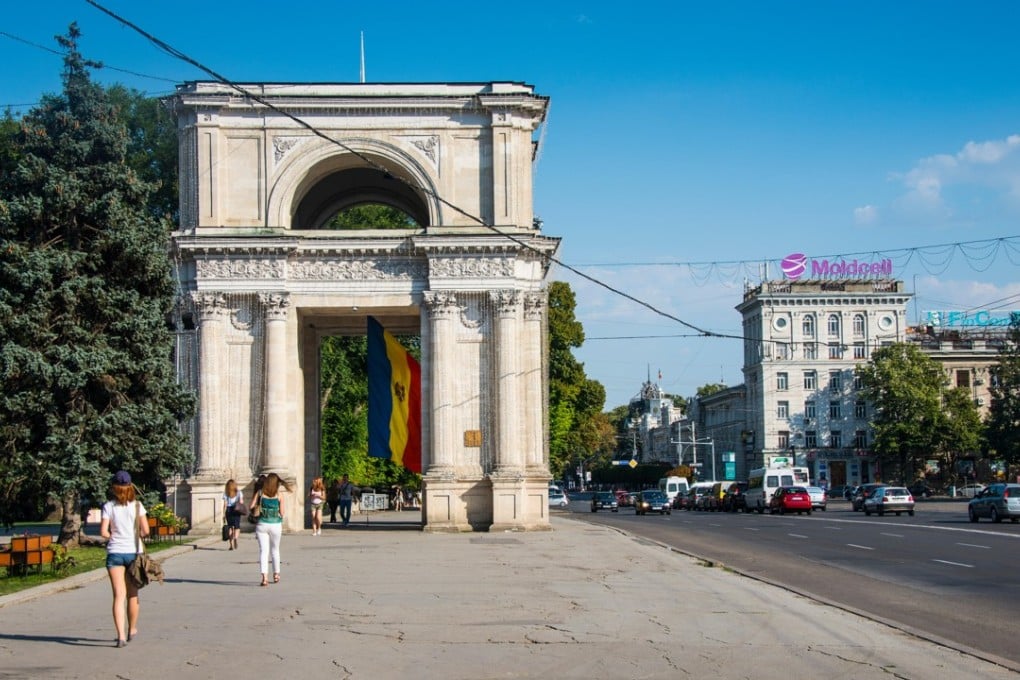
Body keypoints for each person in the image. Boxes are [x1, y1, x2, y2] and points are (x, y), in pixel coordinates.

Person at [100, 470, 149, 648]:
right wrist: (137, 535)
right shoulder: (137, 506)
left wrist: (113, 536)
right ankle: (132, 629)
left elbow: (104, 532)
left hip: (115, 553)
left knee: (118, 596)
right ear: (130, 487)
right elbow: (146, 530)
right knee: (133, 594)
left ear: (114, 488)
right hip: (134, 552)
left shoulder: (108, 507)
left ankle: (120, 635)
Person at [251, 472, 291, 586]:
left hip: (262, 524)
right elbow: (282, 513)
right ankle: (276, 574)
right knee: (275, 550)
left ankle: (264, 577)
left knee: (264, 551)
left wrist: (259, 506)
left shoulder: (260, 493)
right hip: (275, 525)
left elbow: (251, 506)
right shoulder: (279, 495)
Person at [222, 479, 244, 550]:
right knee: (237, 527)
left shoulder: (226, 493)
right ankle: (235, 538)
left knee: (230, 527)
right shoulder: (239, 492)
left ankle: (231, 545)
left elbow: (225, 504)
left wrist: (223, 514)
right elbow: (241, 502)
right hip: (236, 510)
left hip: (228, 510)